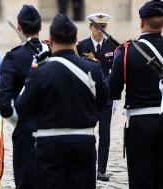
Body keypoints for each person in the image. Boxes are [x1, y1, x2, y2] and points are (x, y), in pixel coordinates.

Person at [15, 14, 109, 189]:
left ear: (50, 40)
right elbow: (104, 101)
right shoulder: (93, 69)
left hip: (50, 144)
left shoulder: (40, 71)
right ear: (76, 39)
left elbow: (22, 107)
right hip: (84, 142)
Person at [109, 1, 163, 189]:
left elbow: (113, 90)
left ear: (141, 22)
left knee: (141, 178)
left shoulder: (126, 52)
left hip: (140, 124)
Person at [0, 5, 49, 189]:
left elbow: (3, 104)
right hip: (53, 127)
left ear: (19, 27)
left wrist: (18, 120)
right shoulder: (53, 53)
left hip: (26, 130)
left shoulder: (13, 58)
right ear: (40, 27)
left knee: (25, 180)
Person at [77, 13, 116, 181]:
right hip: (87, 96)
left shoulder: (113, 46)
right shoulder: (81, 46)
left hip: (106, 97)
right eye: (96, 27)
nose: (99, 31)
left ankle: (101, 169)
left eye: (103, 27)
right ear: (90, 27)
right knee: (86, 132)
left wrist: (115, 96)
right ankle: (85, 167)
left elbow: (116, 72)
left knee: (105, 133)